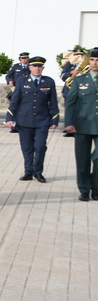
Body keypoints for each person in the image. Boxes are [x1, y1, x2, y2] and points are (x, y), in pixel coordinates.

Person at [5, 56, 58, 183]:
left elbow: (53, 102)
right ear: (30, 67)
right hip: (24, 120)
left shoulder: (49, 82)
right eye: (35, 66)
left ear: (43, 68)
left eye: (40, 66)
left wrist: (55, 119)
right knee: (27, 148)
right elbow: (14, 101)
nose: (37, 69)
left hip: (42, 120)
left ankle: (38, 172)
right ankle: (28, 172)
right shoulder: (22, 81)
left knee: (40, 147)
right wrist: (9, 117)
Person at [64, 47, 98, 200]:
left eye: (97, 60)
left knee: (97, 158)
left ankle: (96, 187)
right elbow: (70, 103)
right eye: (92, 60)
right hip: (82, 125)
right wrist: (69, 123)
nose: (95, 63)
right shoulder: (79, 80)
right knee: (82, 159)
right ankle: (84, 189)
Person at [5, 52, 30, 133]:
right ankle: (14, 126)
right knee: (14, 107)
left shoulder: (31, 67)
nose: (24, 60)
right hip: (16, 90)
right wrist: (10, 81)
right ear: (20, 59)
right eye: (22, 58)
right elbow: (8, 76)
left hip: (27, 90)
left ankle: (24, 125)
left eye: (26, 58)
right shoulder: (16, 66)